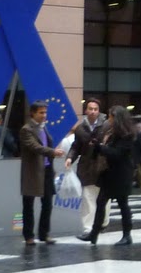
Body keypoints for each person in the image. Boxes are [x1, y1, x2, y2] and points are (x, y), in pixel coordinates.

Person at [80, 106, 137, 246]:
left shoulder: (127, 135)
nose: (109, 120)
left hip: (121, 175)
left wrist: (101, 148)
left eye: (111, 117)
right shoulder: (112, 132)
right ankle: (94, 234)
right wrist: (98, 146)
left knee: (123, 205)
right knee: (100, 202)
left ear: (117, 118)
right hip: (109, 174)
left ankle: (127, 235)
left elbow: (117, 154)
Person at [18, 101, 63, 246]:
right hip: (32, 172)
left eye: (45, 112)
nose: (44, 115)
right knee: (28, 204)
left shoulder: (44, 128)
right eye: (41, 112)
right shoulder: (26, 129)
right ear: (33, 113)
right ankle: (29, 236)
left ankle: (44, 234)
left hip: (47, 170)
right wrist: (53, 152)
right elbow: (35, 147)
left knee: (47, 204)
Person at [68, 99, 105, 232]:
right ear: (86, 110)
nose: (93, 112)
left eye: (95, 109)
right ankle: (88, 227)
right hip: (87, 168)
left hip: (103, 168)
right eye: (90, 109)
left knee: (103, 198)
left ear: (98, 111)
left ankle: (102, 223)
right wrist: (69, 158)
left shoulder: (106, 126)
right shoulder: (80, 129)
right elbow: (75, 147)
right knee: (88, 197)